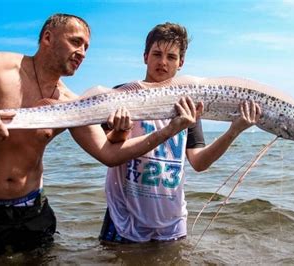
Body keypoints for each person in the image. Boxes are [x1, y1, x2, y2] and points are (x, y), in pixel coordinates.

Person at [0, 14, 199, 256]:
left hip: (34, 211)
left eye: (86, 47)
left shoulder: (70, 103)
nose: (82, 52)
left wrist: (169, 129)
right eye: (76, 42)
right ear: (48, 38)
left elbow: (109, 154)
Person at [99, 22, 261, 243]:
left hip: (172, 226)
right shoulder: (122, 95)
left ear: (181, 62)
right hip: (124, 221)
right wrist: (120, 131)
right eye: (157, 54)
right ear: (145, 56)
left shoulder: (189, 105)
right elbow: (106, 152)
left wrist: (234, 130)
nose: (162, 62)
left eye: (171, 57)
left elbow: (199, 162)